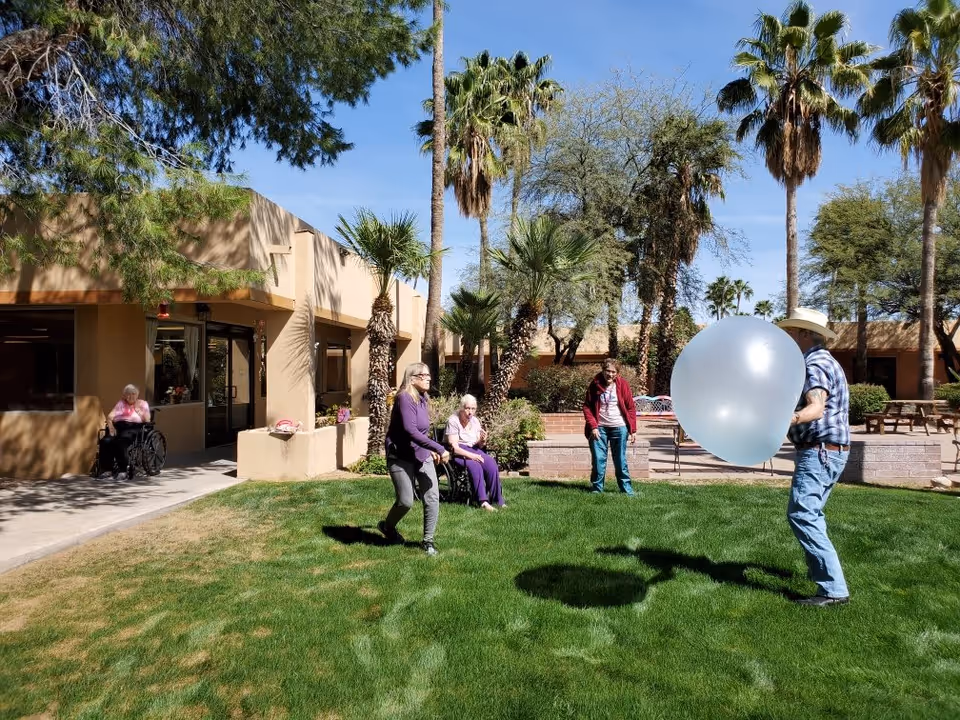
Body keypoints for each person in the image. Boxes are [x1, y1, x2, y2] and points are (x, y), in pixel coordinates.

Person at [779, 308, 851, 607]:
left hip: (820, 451)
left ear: (805, 334)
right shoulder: (826, 361)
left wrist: (788, 418)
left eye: (792, 332)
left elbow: (816, 407)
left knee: (802, 514)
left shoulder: (814, 363)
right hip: (831, 452)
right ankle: (826, 579)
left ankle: (833, 590)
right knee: (812, 515)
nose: (788, 338)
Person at [380, 362, 450, 555]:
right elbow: (410, 431)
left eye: (428, 375)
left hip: (421, 455)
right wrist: (438, 447)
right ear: (412, 378)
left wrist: (430, 449)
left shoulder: (423, 398)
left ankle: (428, 541)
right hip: (400, 456)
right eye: (423, 375)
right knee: (405, 501)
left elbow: (423, 430)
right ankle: (387, 527)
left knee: (432, 496)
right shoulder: (404, 398)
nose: (428, 378)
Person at [582, 358, 637, 495]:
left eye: (613, 372)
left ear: (617, 373)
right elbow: (587, 407)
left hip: (619, 427)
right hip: (599, 429)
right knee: (598, 460)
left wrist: (633, 430)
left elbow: (630, 408)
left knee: (620, 460)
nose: (610, 374)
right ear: (603, 370)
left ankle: (626, 490)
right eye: (608, 371)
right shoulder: (595, 384)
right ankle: (596, 489)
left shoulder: (623, 384)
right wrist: (593, 426)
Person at [446, 394, 504, 511]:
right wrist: (472, 456)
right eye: (467, 408)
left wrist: (482, 440)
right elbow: (454, 448)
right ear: (462, 408)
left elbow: (479, 445)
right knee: (475, 465)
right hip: (459, 452)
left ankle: (498, 500)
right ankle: (483, 501)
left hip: (474, 449)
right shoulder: (453, 420)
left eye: (473, 409)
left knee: (491, 464)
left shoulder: (475, 421)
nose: (470, 412)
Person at [100, 384, 151, 478]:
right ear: (124, 395)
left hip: (133, 427)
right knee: (105, 441)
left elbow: (147, 420)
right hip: (117, 426)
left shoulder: (143, 403)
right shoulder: (121, 403)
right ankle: (107, 469)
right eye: (128, 394)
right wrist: (111, 427)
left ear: (137, 394)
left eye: (133, 394)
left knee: (121, 442)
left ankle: (123, 470)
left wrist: (138, 411)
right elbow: (110, 417)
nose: (131, 396)